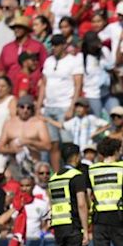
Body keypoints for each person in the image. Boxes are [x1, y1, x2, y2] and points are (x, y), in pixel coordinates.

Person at [47, 143, 90, 246]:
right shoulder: (77, 176)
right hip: (73, 225)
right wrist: (86, 230)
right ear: (76, 156)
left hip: (59, 225)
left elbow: (53, 203)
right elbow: (81, 204)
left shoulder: (54, 177)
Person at [37, 34, 83, 172]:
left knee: (68, 143)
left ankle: (73, 171)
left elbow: (78, 84)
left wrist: (72, 106)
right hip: (49, 106)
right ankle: (58, 174)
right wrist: (39, 106)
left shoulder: (73, 61)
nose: (55, 47)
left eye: (57, 44)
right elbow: (44, 84)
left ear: (64, 45)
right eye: (53, 45)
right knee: (53, 144)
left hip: (65, 105)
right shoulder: (49, 61)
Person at [0, 95, 51, 176]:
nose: (25, 110)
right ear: (17, 108)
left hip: (33, 164)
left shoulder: (39, 123)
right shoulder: (9, 123)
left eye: (28, 108)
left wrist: (29, 142)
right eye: (22, 107)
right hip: (14, 164)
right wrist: (13, 150)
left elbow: (47, 146)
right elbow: (0, 147)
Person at [42, 98, 108, 149]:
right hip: (77, 149)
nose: (78, 109)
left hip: (88, 149)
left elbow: (107, 124)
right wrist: (49, 120)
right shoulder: (74, 120)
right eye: (77, 107)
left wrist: (95, 133)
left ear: (86, 108)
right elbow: (62, 126)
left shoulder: (91, 118)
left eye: (81, 107)